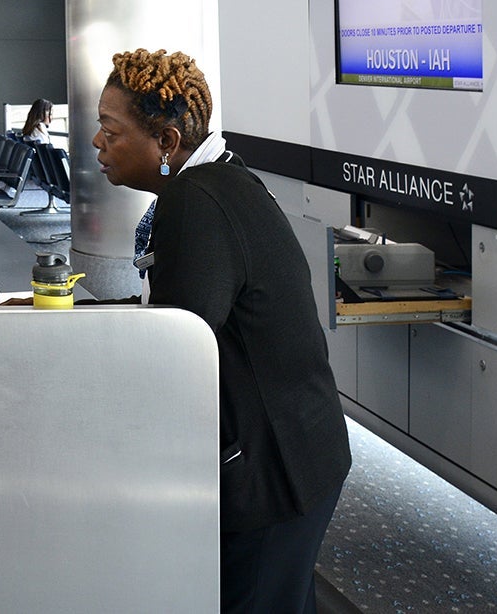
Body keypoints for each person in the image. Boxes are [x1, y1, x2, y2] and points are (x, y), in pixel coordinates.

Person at [91, 48, 351, 613]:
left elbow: (177, 347)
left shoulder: (197, 198)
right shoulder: (219, 178)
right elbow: (180, 308)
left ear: (165, 142)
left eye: (110, 129)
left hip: (274, 471)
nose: (96, 143)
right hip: (299, 449)